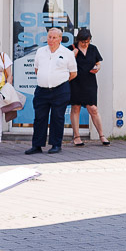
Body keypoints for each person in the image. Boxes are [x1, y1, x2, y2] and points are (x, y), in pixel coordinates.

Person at [27, 26, 78, 155]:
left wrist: (59, 81)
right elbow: (37, 69)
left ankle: (56, 144)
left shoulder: (67, 53)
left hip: (60, 90)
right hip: (42, 90)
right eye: (49, 37)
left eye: (54, 37)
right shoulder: (40, 52)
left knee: (58, 117)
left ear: (60, 39)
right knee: (40, 118)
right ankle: (37, 145)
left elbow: (73, 73)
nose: (51, 40)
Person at [69, 27, 108, 146]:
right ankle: (76, 137)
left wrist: (97, 68)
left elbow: (98, 63)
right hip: (75, 81)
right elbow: (64, 64)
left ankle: (102, 135)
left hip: (90, 82)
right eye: (83, 42)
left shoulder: (93, 49)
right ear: (78, 40)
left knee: (93, 109)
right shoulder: (71, 48)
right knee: (76, 108)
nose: (85, 44)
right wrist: (73, 55)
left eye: (87, 41)